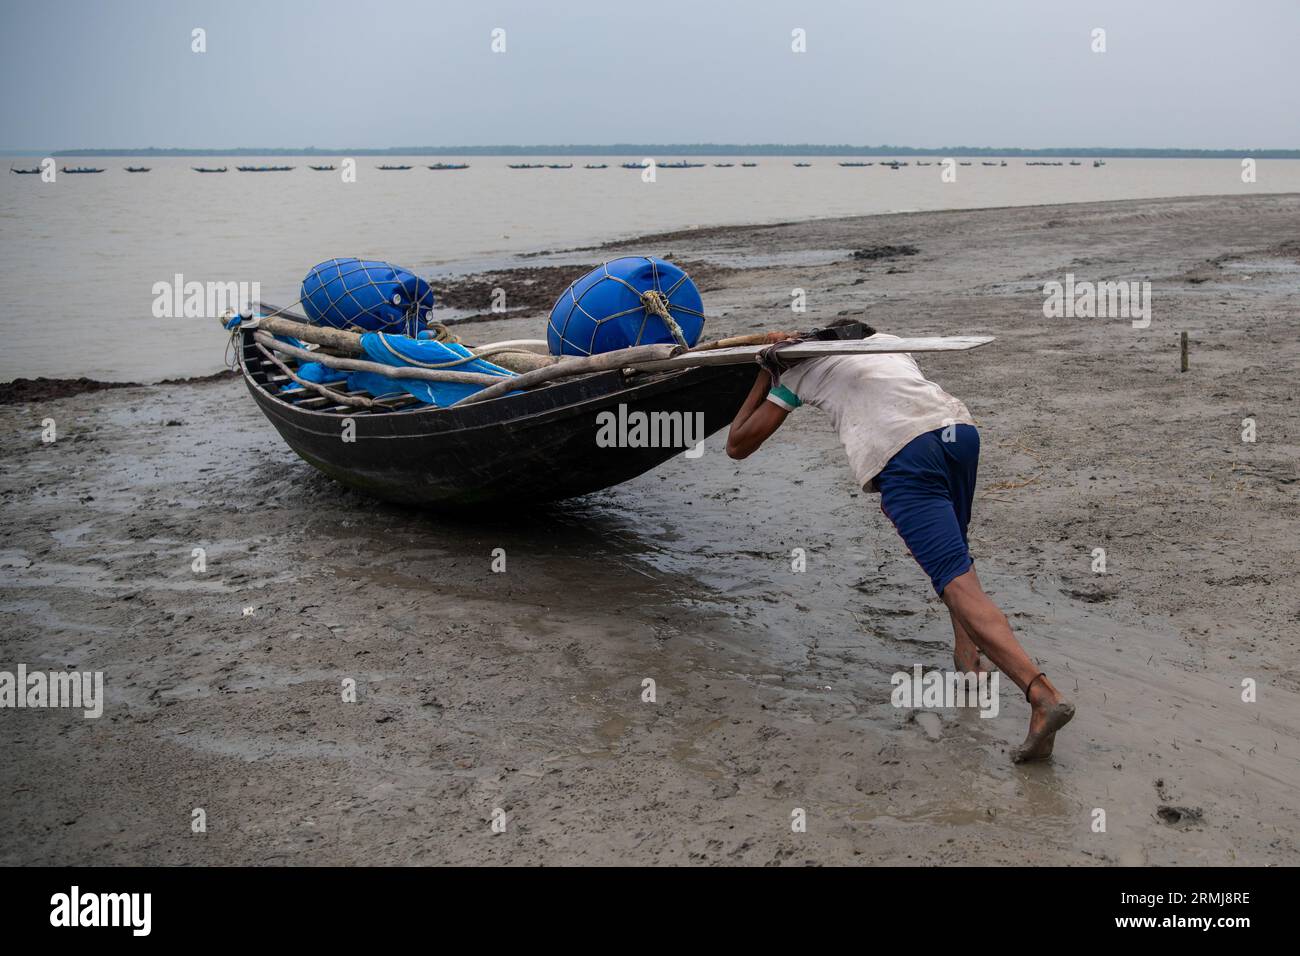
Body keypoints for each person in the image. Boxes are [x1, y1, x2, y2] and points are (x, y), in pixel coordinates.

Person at [725, 327, 1074, 762]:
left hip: (904, 454)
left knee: (954, 581)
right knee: (956, 557)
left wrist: (765, 374)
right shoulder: (886, 343)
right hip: (958, 432)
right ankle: (968, 662)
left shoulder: (800, 373)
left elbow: (737, 445)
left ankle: (1041, 694)